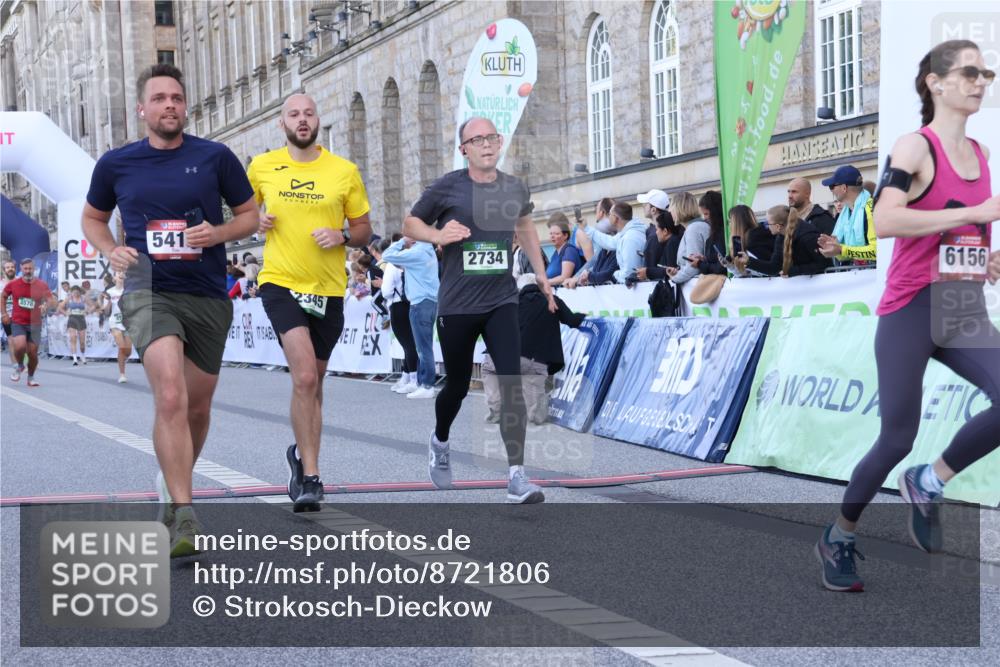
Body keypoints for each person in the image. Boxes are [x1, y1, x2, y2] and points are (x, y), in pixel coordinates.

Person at [817, 40, 1000, 592]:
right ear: (935, 83)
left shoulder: (982, 155)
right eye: (968, 72)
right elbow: (887, 223)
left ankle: (929, 480)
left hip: (962, 305)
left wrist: (987, 252)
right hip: (911, 309)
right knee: (896, 436)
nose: (980, 81)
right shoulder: (913, 149)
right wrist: (974, 213)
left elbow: (965, 226)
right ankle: (840, 534)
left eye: (984, 73)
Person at [81, 64, 259, 556]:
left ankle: (171, 481)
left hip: (205, 291)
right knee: (172, 396)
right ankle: (184, 513)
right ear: (142, 109)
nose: (169, 105)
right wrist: (110, 250)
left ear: (185, 106)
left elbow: (248, 216)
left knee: (198, 408)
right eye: (159, 98)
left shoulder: (215, 157)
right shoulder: (116, 164)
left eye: (177, 98)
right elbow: (93, 218)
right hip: (147, 289)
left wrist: (216, 234)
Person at [403, 116, 554, 504]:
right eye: (477, 139)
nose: (486, 144)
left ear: (499, 142)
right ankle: (439, 440)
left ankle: (517, 476)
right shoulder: (447, 187)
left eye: (492, 137)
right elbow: (410, 224)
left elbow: (525, 227)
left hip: (501, 300)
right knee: (454, 384)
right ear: (464, 148)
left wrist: (542, 275)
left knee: (511, 382)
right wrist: (438, 234)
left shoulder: (514, 187)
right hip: (457, 303)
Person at [248, 92, 372, 512]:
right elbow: (239, 211)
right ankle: (313, 478)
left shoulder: (344, 171)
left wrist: (342, 236)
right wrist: (254, 220)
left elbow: (363, 229)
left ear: (319, 120)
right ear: (281, 123)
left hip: (327, 289)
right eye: (293, 114)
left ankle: (300, 457)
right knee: (303, 378)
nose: (302, 120)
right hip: (280, 283)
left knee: (315, 383)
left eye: (309, 113)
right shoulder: (263, 166)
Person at [482, 272, 587, 424]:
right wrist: (585, 315)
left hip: (500, 357)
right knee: (536, 415)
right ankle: (535, 412)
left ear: (519, 288)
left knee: (490, 370)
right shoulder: (552, 300)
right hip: (533, 361)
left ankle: (496, 410)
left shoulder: (509, 302)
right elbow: (572, 320)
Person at [382, 235, 440, 400]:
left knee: (423, 348)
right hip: (429, 301)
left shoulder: (417, 252)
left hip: (419, 302)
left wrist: (401, 242)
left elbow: (386, 255)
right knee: (424, 346)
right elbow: (397, 262)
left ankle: (427, 385)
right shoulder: (429, 251)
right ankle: (423, 383)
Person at [1, 258, 55, 386]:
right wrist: (4, 313)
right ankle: (19, 365)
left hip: (35, 323)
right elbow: (2, 297)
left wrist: (46, 306)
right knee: (19, 346)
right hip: (18, 322)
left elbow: (51, 300)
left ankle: (30, 377)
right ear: (21, 269)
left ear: (34, 269)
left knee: (33, 354)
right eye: (25, 269)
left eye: (30, 269)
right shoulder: (13, 284)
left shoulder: (41, 284)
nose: (28, 271)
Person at [735, 205, 828, 277]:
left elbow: (823, 264)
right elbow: (774, 267)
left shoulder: (808, 236)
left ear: (778, 226)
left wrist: (794, 271)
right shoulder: (781, 236)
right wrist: (749, 261)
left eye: (768, 223)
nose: (765, 226)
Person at [380, 242, 420, 394]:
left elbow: (386, 291)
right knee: (409, 342)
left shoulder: (392, 264)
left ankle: (413, 378)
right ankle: (406, 374)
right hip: (409, 303)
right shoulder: (410, 261)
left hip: (397, 305)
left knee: (407, 344)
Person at [819, 165, 877, 264]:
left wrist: (841, 249)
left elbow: (876, 251)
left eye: (832, 186)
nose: (831, 190)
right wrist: (835, 250)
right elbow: (847, 254)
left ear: (844, 188)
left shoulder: (870, 208)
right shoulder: (846, 212)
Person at [578, 202, 647, 284]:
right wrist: (586, 228)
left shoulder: (630, 238)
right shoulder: (626, 233)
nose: (607, 217)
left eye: (609, 214)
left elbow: (630, 272)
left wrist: (615, 275)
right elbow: (609, 242)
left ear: (616, 218)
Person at [665, 192, 710, 284]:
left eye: (672, 209)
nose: (670, 213)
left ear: (679, 209)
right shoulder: (695, 227)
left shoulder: (694, 229)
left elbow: (693, 267)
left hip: (699, 288)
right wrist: (678, 272)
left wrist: (674, 279)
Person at [103, 270, 132, 383]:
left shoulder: (130, 290)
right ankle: (122, 374)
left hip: (128, 323)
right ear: (114, 278)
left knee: (128, 352)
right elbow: (106, 311)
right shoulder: (109, 292)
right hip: (115, 322)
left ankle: (123, 360)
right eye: (118, 273)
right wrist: (108, 302)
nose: (120, 274)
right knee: (122, 347)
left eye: (123, 273)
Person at [636, 210, 682, 282]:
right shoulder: (672, 241)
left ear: (665, 231)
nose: (656, 232)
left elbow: (671, 272)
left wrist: (648, 272)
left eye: (657, 229)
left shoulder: (672, 243)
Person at [692, 190, 728, 275]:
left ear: (715, 212)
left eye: (706, 214)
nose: (704, 218)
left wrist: (700, 264)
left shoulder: (721, 234)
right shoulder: (717, 233)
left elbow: (722, 266)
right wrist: (705, 260)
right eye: (703, 214)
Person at [545, 214, 583, 286]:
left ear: (565, 236)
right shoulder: (555, 254)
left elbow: (564, 277)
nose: (552, 236)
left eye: (556, 234)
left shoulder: (569, 251)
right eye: (550, 234)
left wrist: (545, 283)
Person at [1, 260, 23, 374]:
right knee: (12, 340)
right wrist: (3, 314)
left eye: (12, 267)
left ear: (15, 269)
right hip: (7, 316)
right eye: (7, 267)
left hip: (21, 315)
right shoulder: (1, 284)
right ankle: (15, 365)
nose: (10, 269)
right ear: (4, 270)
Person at [60, 285, 88, 365]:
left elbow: (92, 305)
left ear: (79, 292)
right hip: (72, 319)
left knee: (82, 342)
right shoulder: (69, 298)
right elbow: (60, 307)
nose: (75, 294)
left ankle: (82, 355)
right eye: (73, 292)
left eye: (76, 292)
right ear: (71, 292)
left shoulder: (83, 298)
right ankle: (75, 359)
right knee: (73, 338)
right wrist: (65, 313)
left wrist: (87, 311)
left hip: (81, 319)